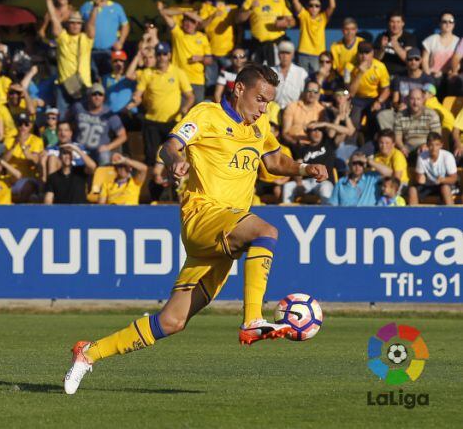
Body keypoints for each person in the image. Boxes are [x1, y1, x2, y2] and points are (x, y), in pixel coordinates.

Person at [62, 64, 329, 394]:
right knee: (266, 232)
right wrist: (175, 160)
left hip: (223, 236)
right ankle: (252, 319)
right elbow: (170, 145)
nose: (263, 108)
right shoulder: (207, 114)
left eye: (268, 103)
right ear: (238, 90)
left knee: (171, 322)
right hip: (204, 217)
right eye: (259, 99)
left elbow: (274, 163)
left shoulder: (259, 126)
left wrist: (304, 168)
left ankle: (89, 353)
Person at [128, 42, 194, 165]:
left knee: (174, 155)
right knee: (151, 156)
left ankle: (173, 182)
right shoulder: (147, 73)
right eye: (159, 54)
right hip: (152, 121)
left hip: (173, 122)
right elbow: (139, 92)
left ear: (169, 55)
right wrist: (135, 99)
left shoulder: (178, 73)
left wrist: (185, 108)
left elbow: (190, 96)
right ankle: (151, 183)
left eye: (164, 54)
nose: (161, 57)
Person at [45, 0, 97, 115]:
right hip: (63, 85)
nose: (75, 25)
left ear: (81, 25)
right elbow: (55, 22)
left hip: (83, 85)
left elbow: (91, 25)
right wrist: (49, 1)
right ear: (68, 24)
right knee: (62, 120)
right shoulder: (63, 37)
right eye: (72, 22)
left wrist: (95, 6)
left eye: (78, 23)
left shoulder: (86, 38)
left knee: (82, 118)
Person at [158, 1, 212, 103]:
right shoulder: (178, 33)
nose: (188, 24)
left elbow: (209, 60)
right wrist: (185, 12)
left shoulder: (203, 37)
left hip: (197, 80)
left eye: (192, 21)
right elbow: (163, 12)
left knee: (197, 113)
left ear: (196, 23)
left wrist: (200, 58)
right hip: (179, 79)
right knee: (181, 112)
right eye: (185, 21)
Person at [238, 0, 295, 66]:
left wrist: (286, 23)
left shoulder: (280, 0)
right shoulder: (250, 0)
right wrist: (251, 9)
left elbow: (292, 21)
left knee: (275, 73)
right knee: (256, 73)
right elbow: (238, 19)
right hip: (257, 44)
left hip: (275, 44)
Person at [66, 83, 126, 165]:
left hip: (98, 152)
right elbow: (66, 121)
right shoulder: (78, 107)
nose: (97, 97)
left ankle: (101, 177)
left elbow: (123, 136)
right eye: (94, 94)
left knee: (104, 156)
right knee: (66, 153)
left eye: (100, 94)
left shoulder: (109, 114)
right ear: (89, 96)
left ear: (104, 98)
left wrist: (108, 147)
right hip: (79, 149)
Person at [376, 47, 435, 131]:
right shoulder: (399, 78)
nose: (413, 62)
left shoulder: (428, 79)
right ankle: (392, 140)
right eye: (410, 59)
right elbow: (395, 100)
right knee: (382, 115)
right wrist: (398, 106)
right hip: (402, 113)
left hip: (419, 113)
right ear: (406, 61)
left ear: (421, 60)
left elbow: (427, 100)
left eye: (416, 59)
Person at [79, 0, 129, 78]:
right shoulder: (86, 6)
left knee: (109, 78)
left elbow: (125, 26)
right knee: (92, 79)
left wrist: (121, 42)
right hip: (90, 50)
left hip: (110, 50)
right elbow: (77, 25)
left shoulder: (116, 7)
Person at [292, 0, 336, 74]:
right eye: (311, 5)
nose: (314, 8)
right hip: (303, 53)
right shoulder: (304, 15)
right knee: (303, 81)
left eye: (317, 6)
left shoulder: (323, 17)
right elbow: (295, 2)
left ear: (320, 8)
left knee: (316, 81)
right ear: (307, 7)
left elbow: (332, 6)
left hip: (318, 54)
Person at [282, 125, 336, 203]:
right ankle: (286, 213)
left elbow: (347, 131)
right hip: (306, 182)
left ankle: (327, 214)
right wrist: (299, 183)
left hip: (324, 181)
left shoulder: (328, 144)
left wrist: (325, 124)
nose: (317, 132)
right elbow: (298, 166)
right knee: (288, 186)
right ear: (308, 133)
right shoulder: (302, 148)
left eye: (319, 130)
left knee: (326, 187)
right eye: (314, 130)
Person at [346, 41, 390, 136]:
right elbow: (351, 93)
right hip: (357, 98)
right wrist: (360, 73)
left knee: (378, 117)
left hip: (373, 98)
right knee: (354, 121)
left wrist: (379, 101)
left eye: (367, 53)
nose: (364, 56)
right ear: (357, 54)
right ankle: (353, 144)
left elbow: (386, 90)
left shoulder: (380, 66)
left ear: (372, 53)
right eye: (361, 53)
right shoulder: (349, 67)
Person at [199, 0, 238, 88]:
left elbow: (239, 29)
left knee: (231, 84)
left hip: (228, 52)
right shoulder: (207, 7)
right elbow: (200, 26)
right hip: (210, 52)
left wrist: (237, 46)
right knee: (211, 84)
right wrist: (212, 16)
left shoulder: (233, 8)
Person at [408, 132, 459, 205]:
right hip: (429, 185)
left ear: (441, 145)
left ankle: (450, 214)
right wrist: (419, 178)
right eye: (431, 145)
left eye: (436, 145)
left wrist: (443, 180)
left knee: (445, 188)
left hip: (445, 184)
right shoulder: (421, 157)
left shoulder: (448, 157)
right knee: (412, 190)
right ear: (427, 145)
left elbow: (454, 178)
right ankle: (413, 215)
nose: (434, 148)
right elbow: (419, 178)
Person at [2, 113, 44, 202]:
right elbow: (4, 161)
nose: (23, 127)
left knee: (28, 188)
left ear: (31, 126)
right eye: (20, 124)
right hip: (10, 178)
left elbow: (35, 160)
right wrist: (14, 146)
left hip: (27, 177)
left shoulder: (36, 141)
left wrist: (23, 145)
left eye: (26, 124)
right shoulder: (9, 140)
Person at [328, 151, 392, 206]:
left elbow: (389, 173)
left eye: (361, 163)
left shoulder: (372, 178)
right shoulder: (341, 183)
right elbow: (333, 205)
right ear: (349, 165)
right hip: (347, 218)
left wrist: (369, 161)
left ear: (364, 165)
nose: (357, 166)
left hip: (369, 217)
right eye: (354, 163)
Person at [394, 88, 441, 157]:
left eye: (418, 99)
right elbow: (397, 138)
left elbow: (436, 137)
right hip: (407, 147)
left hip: (426, 147)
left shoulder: (432, 115)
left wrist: (426, 145)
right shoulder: (400, 116)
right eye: (412, 99)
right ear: (407, 100)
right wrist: (402, 147)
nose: (415, 103)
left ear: (423, 100)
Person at [281, 79, 327, 146]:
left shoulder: (321, 110)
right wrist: (296, 143)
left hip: (312, 147)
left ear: (319, 95)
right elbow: (285, 133)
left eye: (315, 92)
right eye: (309, 90)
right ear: (304, 92)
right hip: (293, 144)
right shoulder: (292, 106)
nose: (312, 94)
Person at [374, 11, 418, 77]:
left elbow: (409, 59)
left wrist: (396, 46)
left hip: (402, 75)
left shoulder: (409, 37)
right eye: (392, 22)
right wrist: (382, 49)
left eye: (398, 22)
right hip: (382, 74)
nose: (395, 25)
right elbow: (376, 59)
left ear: (403, 23)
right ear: (388, 23)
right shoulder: (382, 36)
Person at [422, 12, 459, 82]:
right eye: (444, 21)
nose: (448, 24)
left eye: (451, 21)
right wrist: (428, 75)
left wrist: (454, 72)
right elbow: (424, 60)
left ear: (454, 24)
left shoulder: (459, 42)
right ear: (440, 24)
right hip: (433, 77)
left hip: (451, 77)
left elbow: (460, 62)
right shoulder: (430, 40)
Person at [271, 40, 308, 109]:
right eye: (282, 53)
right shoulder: (271, 71)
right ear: (278, 54)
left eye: (287, 53)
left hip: (294, 111)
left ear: (293, 55)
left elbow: (305, 96)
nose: (285, 56)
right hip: (273, 110)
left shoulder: (301, 73)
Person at [102, 50, 135, 118]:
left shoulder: (132, 77)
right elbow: (103, 97)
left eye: (121, 61)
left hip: (128, 114)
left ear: (126, 63)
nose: (118, 63)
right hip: (110, 114)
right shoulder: (105, 78)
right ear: (111, 63)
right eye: (115, 61)